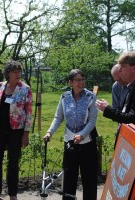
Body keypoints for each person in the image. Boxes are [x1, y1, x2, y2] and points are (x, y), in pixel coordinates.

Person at [44, 69, 98, 200]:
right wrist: (49, 132)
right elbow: (58, 117)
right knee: (69, 177)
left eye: (82, 79)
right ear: (70, 83)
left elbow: (92, 121)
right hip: (69, 142)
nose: (81, 82)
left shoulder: (91, 96)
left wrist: (82, 135)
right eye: (77, 80)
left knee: (89, 178)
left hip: (87, 143)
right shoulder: (64, 97)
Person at [0, 60, 32, 200]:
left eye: (19, 71)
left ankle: (12, 195)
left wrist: (26, 134)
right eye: (15, 71)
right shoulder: (0, 86)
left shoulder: (25, 88)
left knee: (13, 163)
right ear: (7, 73)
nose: (18, 74)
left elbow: (28, 113)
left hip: (16, 131)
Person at [96, 51, 135, 135]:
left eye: (123, 66)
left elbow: (132, 119)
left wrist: (107, 109)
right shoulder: (134, 86)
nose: (119, 70)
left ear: (134, 68)